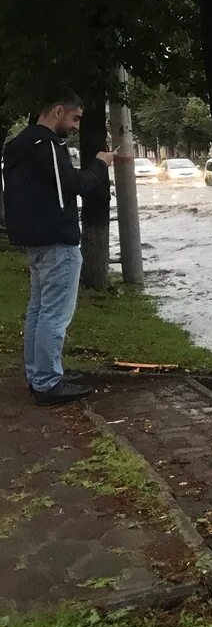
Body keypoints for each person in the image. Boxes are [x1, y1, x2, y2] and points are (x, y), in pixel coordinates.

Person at [3, 91, 114, 405]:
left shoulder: (19, 146)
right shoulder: (47, 145)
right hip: (56, 242)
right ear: (58, 111)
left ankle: (38, 375)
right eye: (75, 118)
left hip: (34, 241)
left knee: (38, 312)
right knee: (54, 315)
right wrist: (100, 164)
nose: (77, 126)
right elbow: (73, 185)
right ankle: (47, 383)